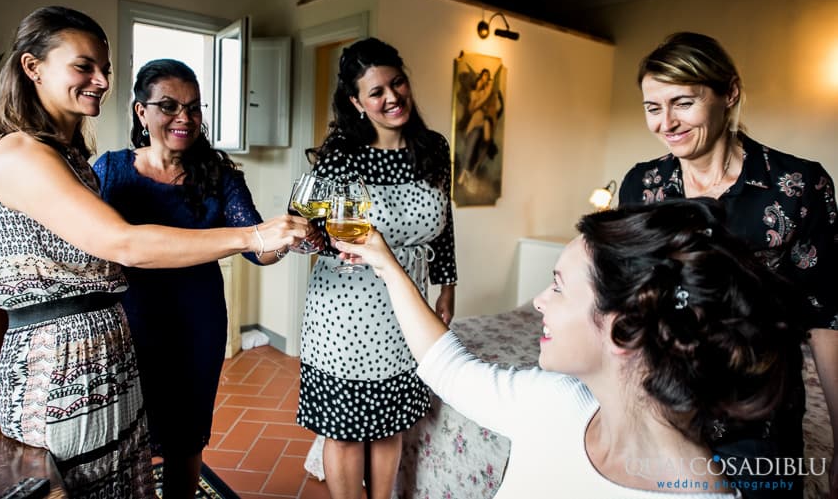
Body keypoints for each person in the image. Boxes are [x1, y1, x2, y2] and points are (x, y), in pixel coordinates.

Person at [0, 6, 309, 498]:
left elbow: (255, 245)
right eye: (83, 66)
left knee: (136, 470)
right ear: (33, 67)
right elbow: (121, 243)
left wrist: (276, 239)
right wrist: (253, 237)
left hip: (134, 338)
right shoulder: (33, 155)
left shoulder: (79, 161)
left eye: (104, 69)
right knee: (78, 484)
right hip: (77, 353)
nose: (99, 79)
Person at [335, 199, 804, 498]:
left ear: (624, 330)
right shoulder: (555, 402)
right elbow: (448, 368)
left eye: (557, 286)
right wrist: (384, 260)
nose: (538, 301)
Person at [618, 32, 838, 498]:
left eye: (683, 102)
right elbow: (630, 307)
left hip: (760, 418)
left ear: (729, 93)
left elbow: (826, 318)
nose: (666, 123)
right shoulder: (643, 186)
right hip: (662, 412)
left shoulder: (797, 187)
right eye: (652, 107)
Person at [92, 59, 303, 498]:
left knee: (186, 438)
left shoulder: (219, 177)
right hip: (128, 323)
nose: (184, 118)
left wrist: (288, 237)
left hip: (196, 325)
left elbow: (257, 248)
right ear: (141, 112)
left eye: (193, 107)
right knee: (123, 436)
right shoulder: (110, 170)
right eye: (168, 106)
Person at [298, 37, 457, 499]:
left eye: (398, 82)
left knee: (390, 423)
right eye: (376, 91)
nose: (391, 98)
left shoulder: (432, 147)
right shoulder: (342, 155)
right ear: (356, 102)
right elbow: (306, 227)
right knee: (344, 428)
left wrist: (446, 285)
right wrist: (327, 238)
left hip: (406, 305)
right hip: (345, 308)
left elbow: (445, 223)